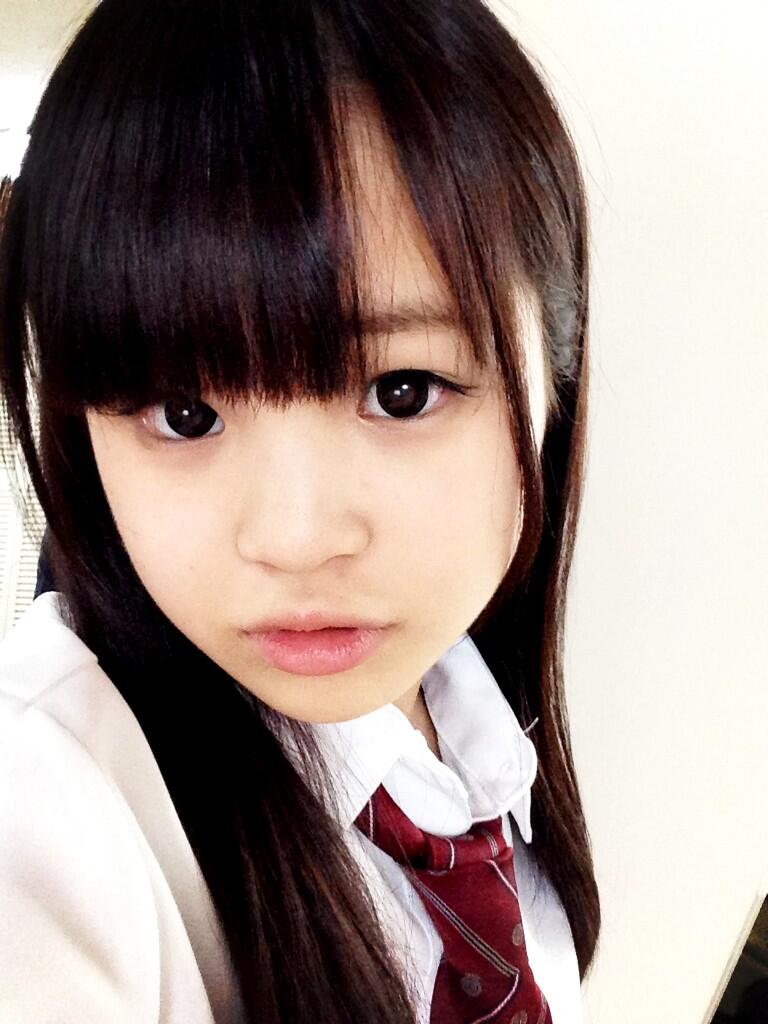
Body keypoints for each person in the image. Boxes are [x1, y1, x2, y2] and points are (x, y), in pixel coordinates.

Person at [0, 1, 600, 1021]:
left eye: (402, 391)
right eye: (184, 414)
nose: (295, 539)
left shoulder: (481, 724)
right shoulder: (49, 810)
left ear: (554, 373)